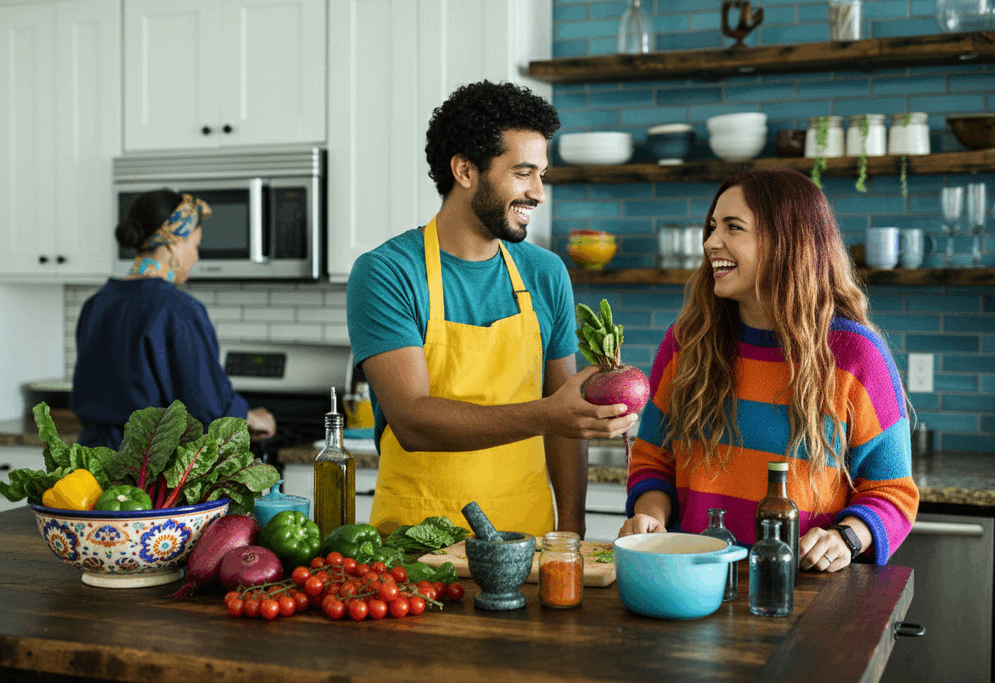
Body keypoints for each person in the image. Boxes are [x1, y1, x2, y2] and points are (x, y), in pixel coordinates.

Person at [346, 80, 636, 538]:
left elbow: (565, 419)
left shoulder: (545, 272)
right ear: (465, 170)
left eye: (541, 174)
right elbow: (413, 422)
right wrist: (545, 414)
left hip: (530, 544)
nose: (538, 193)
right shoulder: (387, 272)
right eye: (523, 173)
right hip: (416, 551)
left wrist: (572, 535)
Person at [619, 168, 919, 570]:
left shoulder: (854, 354)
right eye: (711, 228)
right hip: (691, 583)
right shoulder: (687, 341)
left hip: (805, 594)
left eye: (733, 228)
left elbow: (892, 492)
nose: (711, 243)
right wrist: (650, 517)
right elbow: (653, 460)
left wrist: (845, 538)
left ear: (787, 241)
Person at [71, 189, 275, 449]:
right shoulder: (178, 309)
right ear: (173, 243)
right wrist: (249, 417)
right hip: (148, 469)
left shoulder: (96, 303)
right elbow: (206, 404)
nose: (197, 256)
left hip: (93, 463)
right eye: (195, 244)